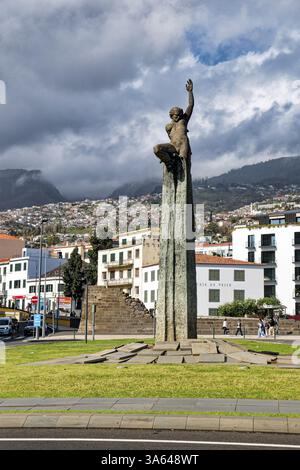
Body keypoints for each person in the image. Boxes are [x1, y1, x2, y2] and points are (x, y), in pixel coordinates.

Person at [153, 79, 194, 171]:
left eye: (179, 115)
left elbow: (190, 106)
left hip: (183, 145)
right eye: (176, 115)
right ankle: (169, 162)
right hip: (173, 146)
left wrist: (190, 92)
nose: (178, 117)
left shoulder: (183, 120)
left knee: (183, 167)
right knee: (157, 148)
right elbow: (170, 138)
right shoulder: (168, 126)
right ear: (171, 115)